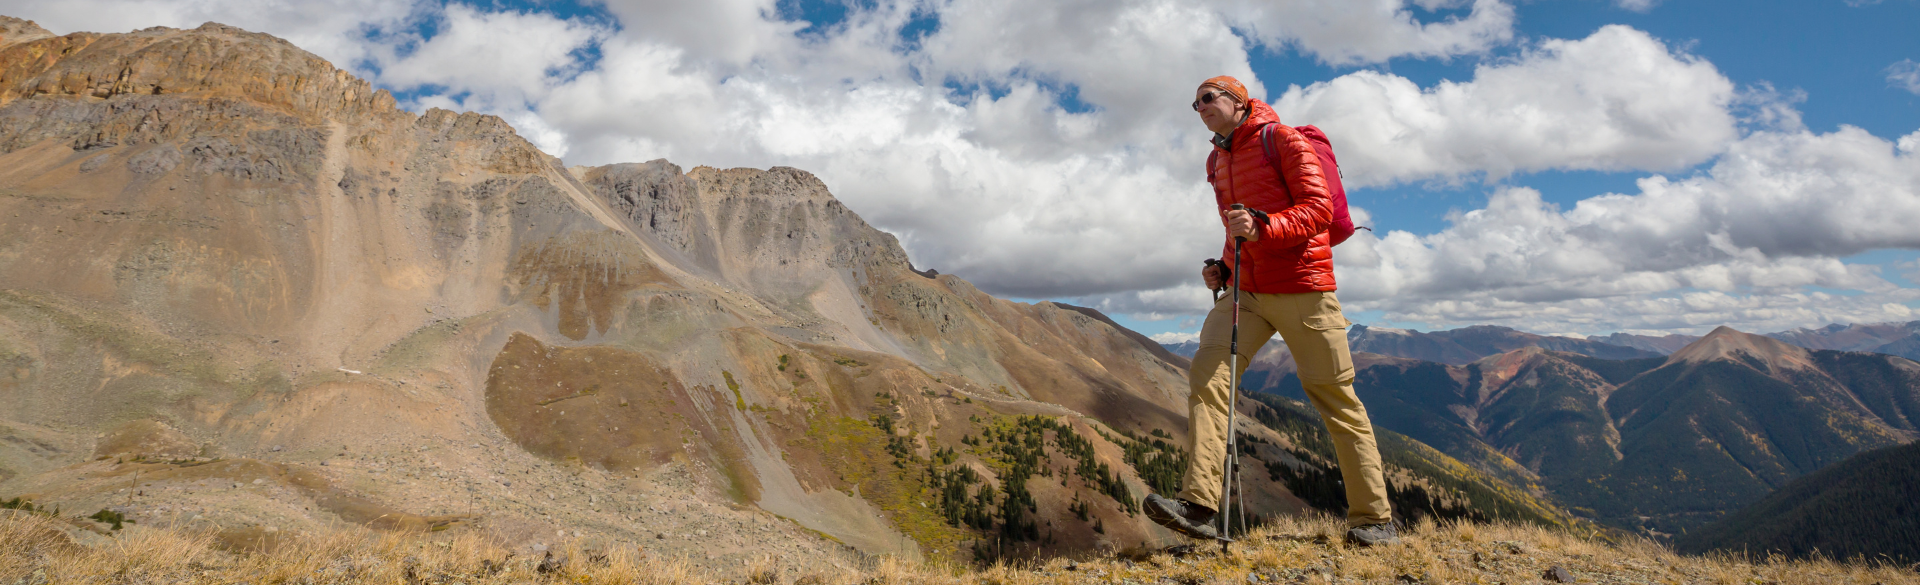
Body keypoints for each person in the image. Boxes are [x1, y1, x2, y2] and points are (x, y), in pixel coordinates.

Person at [1143, 76, 1398, 547]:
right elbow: (1235, 225)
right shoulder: (1217, 159)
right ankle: (1198, 506)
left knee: (1334, 398)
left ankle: (1374, 520)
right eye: (1194, 103)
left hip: (1304, 286)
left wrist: (1263, 227)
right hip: (1247, 290)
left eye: (1208, 98)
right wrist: (1223, 264)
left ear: (1238, 102)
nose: (1199, 107)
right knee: (1208, 380)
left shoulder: (1282, 139)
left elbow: (1319, 210)